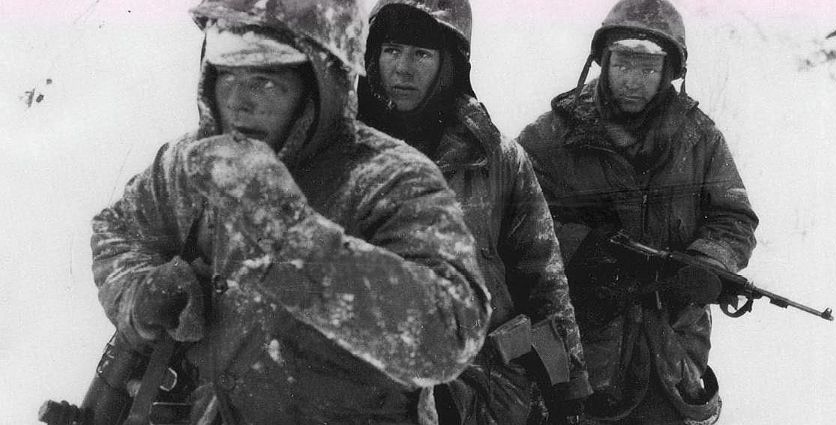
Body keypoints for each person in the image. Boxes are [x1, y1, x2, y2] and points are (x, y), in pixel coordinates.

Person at [89, 0, 493, 423]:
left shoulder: (392, 179)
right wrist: (139, 291)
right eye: (227, 74)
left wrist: (294, 239)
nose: (239, 101)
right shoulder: (193, 163)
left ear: (321, 85)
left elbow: (449, 337)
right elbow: (118, 231)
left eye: (265, 82)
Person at [516, 0, 759, 424]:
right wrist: (585, 249)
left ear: (668, 72)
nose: (633, 81)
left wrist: (705, 262)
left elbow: (733, 217)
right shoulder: (550, 136)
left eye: (648, 69)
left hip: (671, 351)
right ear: (603, 62)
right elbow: (514, 219)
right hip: (576, 350)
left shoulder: (699, 138)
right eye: (623, 64)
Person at [357, 1, 591, 424]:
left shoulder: (496, 159)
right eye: (392, 50)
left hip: (477, 394)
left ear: (449, 64)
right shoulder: (339, 151)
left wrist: (567, 387)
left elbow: (542, 276)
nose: (403, 69)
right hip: (362, 390)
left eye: (421, 54)